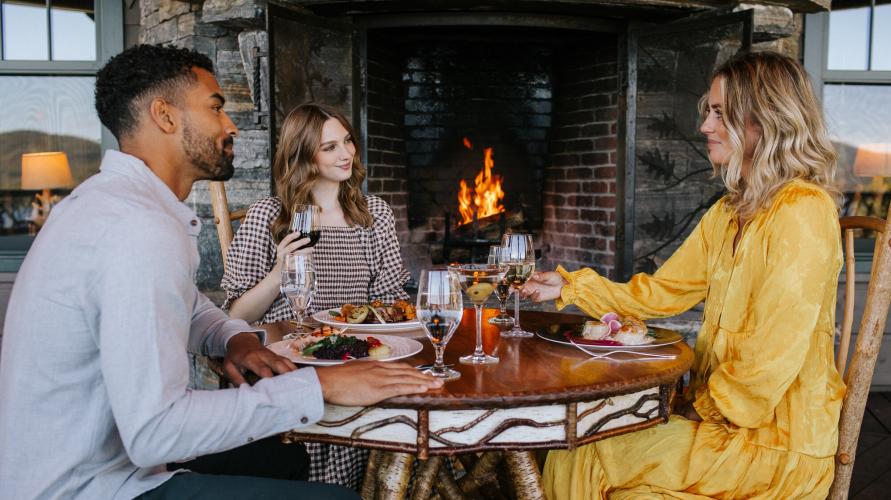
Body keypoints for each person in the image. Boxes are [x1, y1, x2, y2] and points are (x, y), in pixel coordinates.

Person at [0, 44, 442, 500]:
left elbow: (190, 308)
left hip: (116, 457)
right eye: (215, 108)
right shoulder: (133, 229)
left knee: (287, 459)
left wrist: (235, 338)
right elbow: (158, 430)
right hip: (91, 486)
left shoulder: (122, 207)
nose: (230, 125)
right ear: (165, 116)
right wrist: (320, 382)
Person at [522, 51, 845, 499]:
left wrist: (702, 408)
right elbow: (664, 292)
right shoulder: (728, 212)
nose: (705, 127)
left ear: (764, 120)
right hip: (723, 431)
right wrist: (572, 285)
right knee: (576, 445)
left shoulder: (803, 210)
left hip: (775, 445)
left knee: (580, 450)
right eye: (707, 112)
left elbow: (773, 352)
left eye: (719, 113)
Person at [221, 103, 410, 487]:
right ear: (303, 154)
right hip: (291, 360)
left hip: (360, 354)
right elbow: (235, 316)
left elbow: (391, 300)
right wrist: (279, 272)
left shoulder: (373, 215)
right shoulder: (269, 216)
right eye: (329, 147)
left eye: (348, 142)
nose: (346, 154)